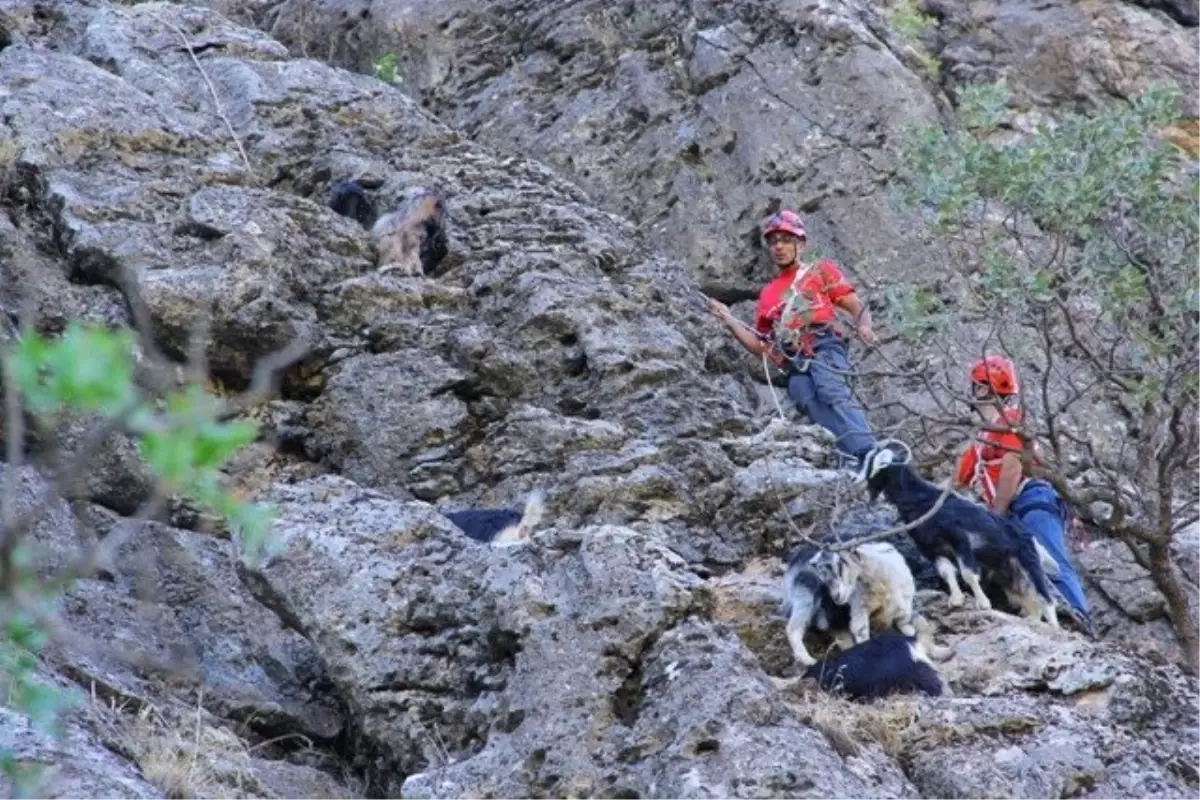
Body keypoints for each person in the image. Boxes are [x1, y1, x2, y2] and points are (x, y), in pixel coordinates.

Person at [707, 209, 878, 469]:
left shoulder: (820, 272)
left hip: (823, 344)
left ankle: (872, 454)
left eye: (786, 240)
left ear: (801, 244)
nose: (779, 247)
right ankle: (852, 460)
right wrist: (729, 320)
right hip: (792, 359)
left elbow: (855, 305)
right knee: (806, 398)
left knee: (831, 390)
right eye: (773, 241)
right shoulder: (767, 294)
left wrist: (864, 326)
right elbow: (763, 348)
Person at [953, 355, 1094, 635]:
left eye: (974, 385)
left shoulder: (1011, 422)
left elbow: (1012, 465)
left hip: (1030, 500)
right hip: (1010, 509)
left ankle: (1079, 616)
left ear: (982, 389)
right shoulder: (982, 440)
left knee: (1050, 560)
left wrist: (996, 513)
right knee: (1030, 566)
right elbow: (958, 480)